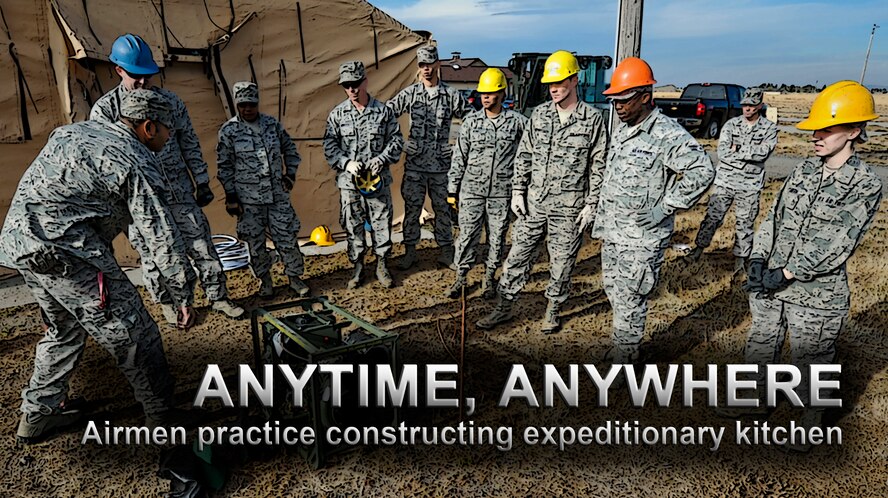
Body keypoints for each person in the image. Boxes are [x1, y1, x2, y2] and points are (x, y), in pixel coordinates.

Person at [0, 90, 195, 443]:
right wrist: (182, 293)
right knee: (136, 331)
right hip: (67, 253)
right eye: (169, 131)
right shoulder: (135, 159)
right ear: (149, 126)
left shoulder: (76, 131)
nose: (171, 139)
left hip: (20, 244)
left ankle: (37, 415)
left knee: (64, 331)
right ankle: (163, 418)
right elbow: (160, 233)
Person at [730, 81, 882, 452]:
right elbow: (773, 218)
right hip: (771, 280)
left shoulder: (864, 184)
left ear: (854, 131)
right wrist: (757, 257)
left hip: (814, 293)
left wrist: (785, 273)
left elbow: (837, 242)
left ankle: (810, 424)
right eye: (815, 128)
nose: (816, 136)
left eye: (826, 129)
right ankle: (756, 403)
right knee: (761, 343)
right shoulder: (804, 170)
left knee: (810, 361)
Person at [90, 33, 244, 322]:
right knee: (152, 255)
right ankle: (168, 303)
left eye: (147, 75)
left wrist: (200, 180)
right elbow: (105, 161)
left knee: (201, 245)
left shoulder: (169, 102)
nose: (142, 82)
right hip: (139, 201)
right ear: (119, 70)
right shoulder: (105, 111)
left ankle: (218, 297)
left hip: (178, 191)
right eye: (135, 76)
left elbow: (189, 142)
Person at [591, 57, 714, 362]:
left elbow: (702, 171)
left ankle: (625, 361)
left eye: (625, 100)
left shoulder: (665, 134)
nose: (618, 107)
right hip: (616, 232)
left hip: (642, 238)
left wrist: (666, 207)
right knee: (616, 295)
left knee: (631, 299)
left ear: (646, 96)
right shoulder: (623, 128)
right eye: (615, 101)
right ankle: (621, 346)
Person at [476, 51, 607, 334]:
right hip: (534, 204)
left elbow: (599, 164)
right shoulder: (539, 115)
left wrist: (591, 204)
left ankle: (553, 309)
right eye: (550, 83)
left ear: (574, 80)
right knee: (516, 258)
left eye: (559, 82)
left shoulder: (592, 120)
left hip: (569, 208)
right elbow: (524, 155)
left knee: (561, 264)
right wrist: (518, 191)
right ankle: (504, 307)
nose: (554, 88)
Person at [216, 82, 310, 297]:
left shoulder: (272, 125)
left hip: (277, 196)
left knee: (286, 238)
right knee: (255, 244)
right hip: (248, 200)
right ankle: (265, 282)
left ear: (257, 103)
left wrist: (290, 175)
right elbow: (224, 166)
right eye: (242, 105)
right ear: (237, 105)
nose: (247, 109)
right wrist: (230, 196)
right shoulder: (229, 131)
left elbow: (290, 150)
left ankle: (294, 278)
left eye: (251, 104)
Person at [445, 68, 527, 299]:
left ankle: (489, 278)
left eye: (490, 93)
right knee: (467, 235)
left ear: (501, 93)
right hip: (472, 191)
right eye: (483, 93)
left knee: (497, 237)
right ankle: (461, 277)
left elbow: (528, 152)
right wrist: (453, 189)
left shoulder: (517, 122)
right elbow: (459, 156)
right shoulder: (471, 122)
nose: (486, 97)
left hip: (501, 193)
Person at [387, 45, 470, 271]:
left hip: (441, 168)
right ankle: (410, 252)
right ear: (418, 67)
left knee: (443, 209)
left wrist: (455, 146)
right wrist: (401, 142)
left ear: (437, 64)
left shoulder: (451, 95)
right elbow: (385, 116)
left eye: (430, 64)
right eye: (422, 65)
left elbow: (473, 123)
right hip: (415, 166)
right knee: (412, 209)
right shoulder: (410, 94)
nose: (426, 69)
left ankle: (446, 252)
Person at [323, 61, 404, 288]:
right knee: (352, 224)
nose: (352, 90)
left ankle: (382, 264)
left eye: (356, 84)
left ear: (365, 81)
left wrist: (382, 158)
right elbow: (329, 145)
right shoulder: (337, 115)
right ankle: (358, 266)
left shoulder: (383, 112)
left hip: (376, 183)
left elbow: (397, 140)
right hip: (350, 183)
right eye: (347, 86)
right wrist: (345, 163)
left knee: (381, 223)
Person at [689, 87, 778, 273]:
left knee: (745, 223)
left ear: (759, 106)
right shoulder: (731, 125)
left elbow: (763, 153)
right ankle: (697, 250)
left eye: (751, 105)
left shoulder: (769, 128)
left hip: (750, 185)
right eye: (745, 104)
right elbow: (722, 152)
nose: (747, 109)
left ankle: (740, 261)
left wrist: (738, 150)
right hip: (725, 181)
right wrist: (747, 156)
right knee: (712, 218)